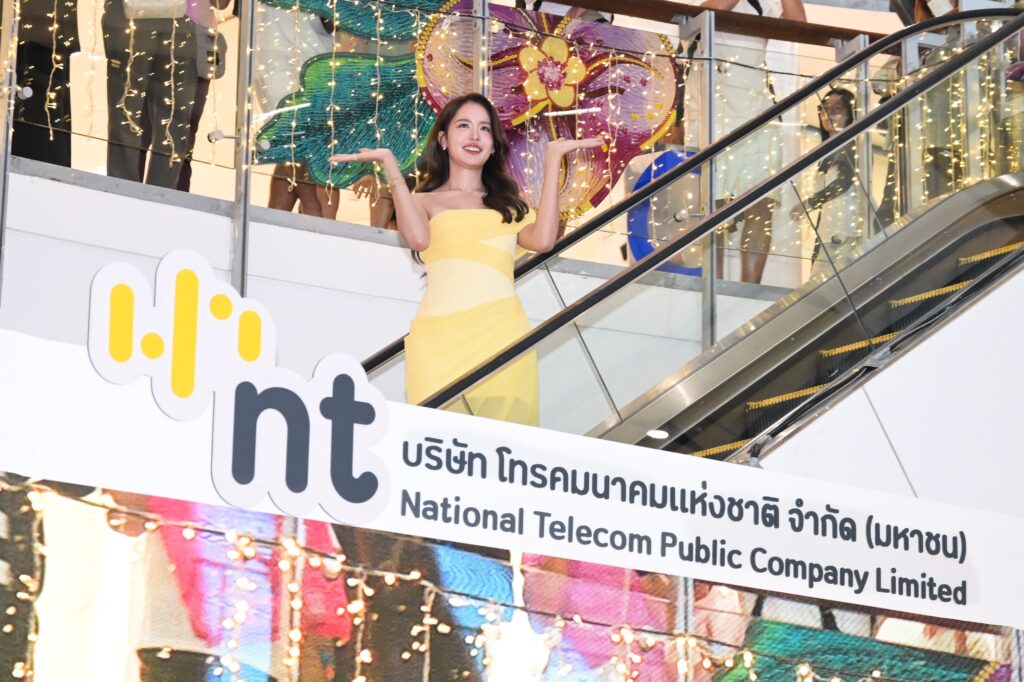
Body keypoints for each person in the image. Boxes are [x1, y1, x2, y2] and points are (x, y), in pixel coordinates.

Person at [330, 92, 600, 422]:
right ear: (443, 139)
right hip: (439, 338)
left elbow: (544, 241)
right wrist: (392, 169)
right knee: (436, 437)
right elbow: (418, 239)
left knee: (503, 440)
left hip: (501, 333)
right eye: (464, 126)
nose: (475, 136)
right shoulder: (424, 201)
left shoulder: (509, 204)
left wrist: (553, 161)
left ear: (493, 144)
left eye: (484, 129)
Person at [682, 0, 808, 284]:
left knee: (761, 204)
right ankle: (712, 288)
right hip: (713, 113)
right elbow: (707, 14)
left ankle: (750, 290)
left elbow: (800, 26)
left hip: (758, 110)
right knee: (714, 207)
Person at [790, 88, 864, 274]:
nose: (829, 114)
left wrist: (809, 203)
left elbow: (844, 182)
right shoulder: (827, 151)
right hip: (830, 232)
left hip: (846, 231)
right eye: (824, 108)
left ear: (849, 113)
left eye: (837, 108)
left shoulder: (852, 145)